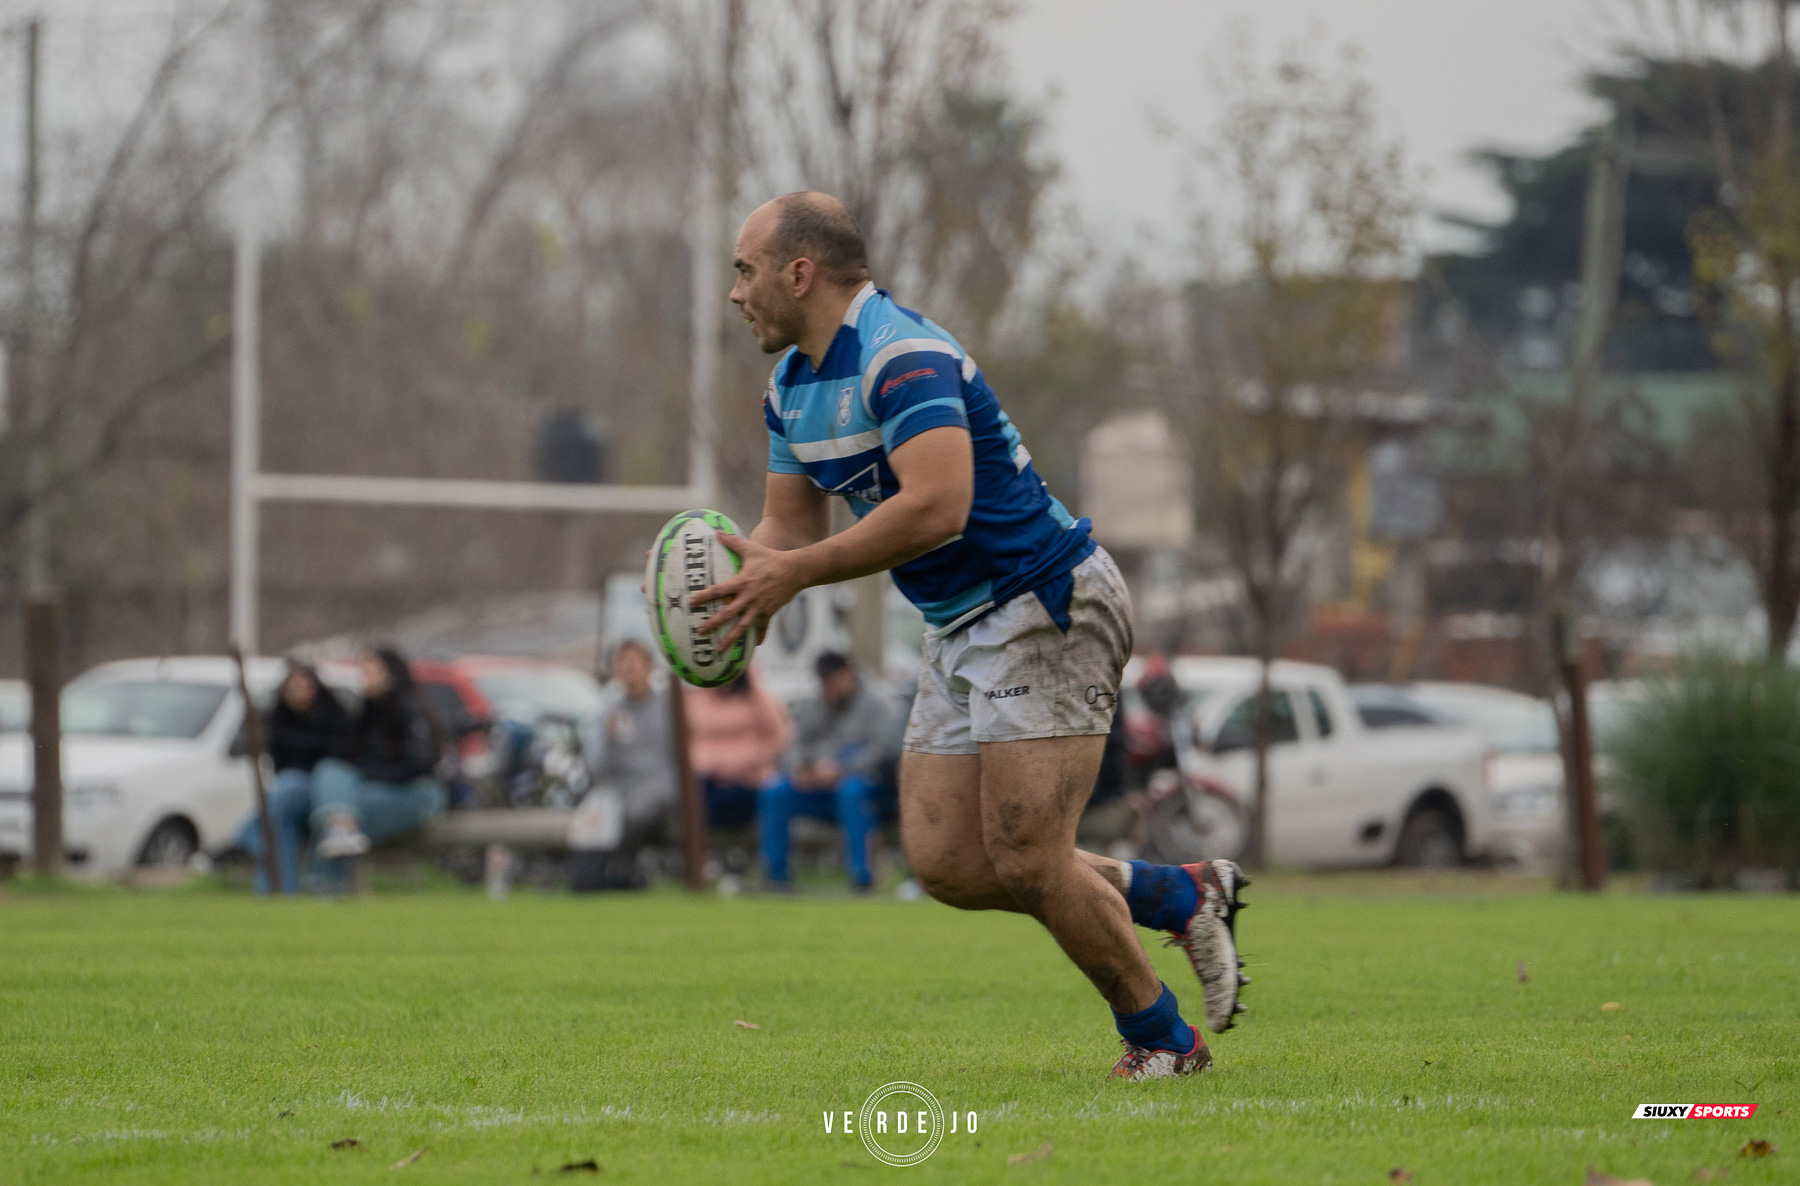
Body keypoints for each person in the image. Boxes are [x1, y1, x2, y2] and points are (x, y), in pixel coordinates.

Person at [690, 192, 1250, 1079]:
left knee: (1028, 857)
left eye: (743, 270)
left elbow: (938, 507)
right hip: (959, 623)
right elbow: (788, 526)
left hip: (1042, 601)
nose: (734, 293)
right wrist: (727, 583)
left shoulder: (901, 356)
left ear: (799, 274)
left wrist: (794, 574)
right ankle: (1176, 893)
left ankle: (1164, 1042)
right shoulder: (791, 386)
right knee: (948, 861)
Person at [761, 652, 892, 891]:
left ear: (847, 674)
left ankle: (862, 879)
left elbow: (883, 751)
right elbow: (793, 747)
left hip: (864, 786)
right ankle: (776, 878)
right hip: (818, 786)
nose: (829, 690)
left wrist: (840, 770)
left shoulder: (876, 703)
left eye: (832, 683)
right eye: (824, 685)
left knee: (851, 791)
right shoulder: (815, 704)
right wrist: (803, 769)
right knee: (775, 790)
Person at [312, 647, 446, 860]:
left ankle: (334, 854)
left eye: (368, 672)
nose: (362, 679)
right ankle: (341, 833)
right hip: (378, 789)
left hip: (415, 792)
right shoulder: (368, 711)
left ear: (390, 674)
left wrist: (370, 776)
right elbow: (348, 757)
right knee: (330, 773)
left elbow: (419, 764)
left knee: (334, 813)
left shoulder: (409, 708)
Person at [235, 660, 350, 894]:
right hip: (289, 797)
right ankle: (278, 891)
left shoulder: (333, 718)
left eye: (303, 687)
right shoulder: (278, 719)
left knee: (285, 788)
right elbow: (278, 766)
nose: (298, 694)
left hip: (325, 794)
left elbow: (335, 763)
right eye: (292, 688)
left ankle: (247, 839)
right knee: (280, 821)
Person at [575, 639, 678, 888]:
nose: (628, 669)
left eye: (633, 663)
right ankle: (593, 877)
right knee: (596, 813)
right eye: (621, 664)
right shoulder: (607, 711)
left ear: (649, 667)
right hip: (617, 790)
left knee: (635, 811)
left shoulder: (668, 707)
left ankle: (622, 871)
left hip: (658, 789)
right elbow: (596, 769)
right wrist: (607, 739)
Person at [684, 669, 792, 837]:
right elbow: (688, 737)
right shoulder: (697, 699)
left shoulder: (757, 698)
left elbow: (779, 738)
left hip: (750, 782)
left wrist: (748, 760)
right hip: (708, 779)